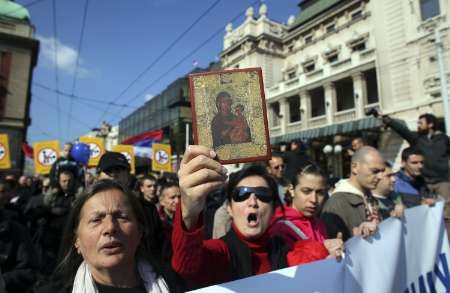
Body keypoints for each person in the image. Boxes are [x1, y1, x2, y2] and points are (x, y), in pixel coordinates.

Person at [171, 145, 339, 290]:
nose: (252, 201)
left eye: (263, 195)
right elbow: (187, 266)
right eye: (241, 194)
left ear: (274, 209)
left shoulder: (287, 250)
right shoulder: (221, 252)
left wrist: (329, 254)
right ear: (229, 208)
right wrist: (189, 210)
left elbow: (310, 262)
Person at [34, 179, 182, 293]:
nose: (110, 227)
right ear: (76, 240)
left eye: (121, 217)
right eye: (96, 220)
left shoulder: (175, 285)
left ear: (139, 232)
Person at [269, 164, 344, 254]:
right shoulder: (280, 228)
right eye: (306, 191)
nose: (314, 199)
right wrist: (324, 250)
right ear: (291, 190)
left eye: (320, 193)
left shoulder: (320, 224)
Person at [381, 113, 450, 200]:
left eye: (421, 123)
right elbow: (403, 130)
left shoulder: (444, 139)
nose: (418, 125)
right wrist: (388, 120)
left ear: (430, 124)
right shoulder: (417, 139)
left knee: (446, 209)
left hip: (443, 182)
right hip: (424, 183)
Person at [321, 146, 384, 241]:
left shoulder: (371, 198)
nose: (380, 177)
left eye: (382, 171)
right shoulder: (336, 203)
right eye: (375, 171)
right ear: (355, 167)